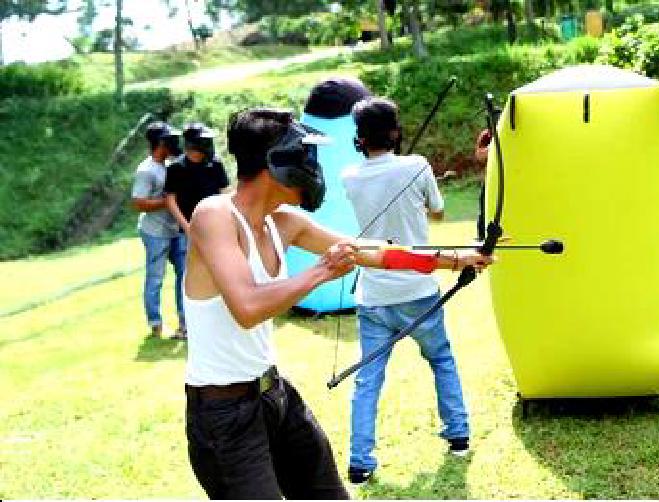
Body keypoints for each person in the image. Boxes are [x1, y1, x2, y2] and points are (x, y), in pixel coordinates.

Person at [183, 107, 491, 499]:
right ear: (277, 161)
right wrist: (323, 272)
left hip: (273, 394)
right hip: (224, 416)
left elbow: (370, 251)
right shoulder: (214, 215)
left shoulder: (284, 223)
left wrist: (450, 259)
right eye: (304, 154)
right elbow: (247, 307)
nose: (312, 166)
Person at [341, 97, 475, 485]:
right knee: (441, 359)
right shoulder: (416, 167)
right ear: (395, 132)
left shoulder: (350, 175)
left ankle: (360, 461)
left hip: (374, 295)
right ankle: (459, 435)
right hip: (418, 289)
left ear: (360, 138)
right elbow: (439, 211)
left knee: (368, 379)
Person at [130, 121, 187, 339]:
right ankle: (155, 323)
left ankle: (184, 322)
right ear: (160, 143)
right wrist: (168, 202)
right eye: (169, 139)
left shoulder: (172, 165)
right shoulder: (146, 171)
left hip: (175, 230)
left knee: (184, 275)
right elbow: (138, 203)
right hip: (155, 232)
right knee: (155, 278)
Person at [164, 122, 231, 234]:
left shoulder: (215, 164)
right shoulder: (176, 168)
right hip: (188, 227)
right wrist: (187, 227)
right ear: (191, 144)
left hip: (214, 224)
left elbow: (224, 193)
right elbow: (171, 200)